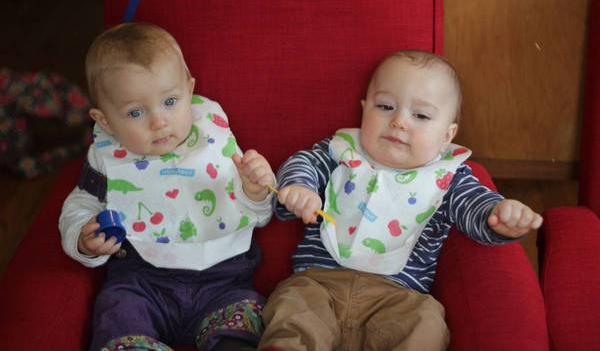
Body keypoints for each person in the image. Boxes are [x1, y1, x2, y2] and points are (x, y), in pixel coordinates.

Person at [257, 50, 543, 351]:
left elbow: (475, 205)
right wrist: (299, 188)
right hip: (317, 285)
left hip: (397, 298)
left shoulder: (448, 177)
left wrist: (498, 215)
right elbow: (304, 164)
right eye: (385, 106)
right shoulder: (340, 152)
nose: (398, 122)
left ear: (447, 135)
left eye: (420, 115)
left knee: (427, 321)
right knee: (292, 308)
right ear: (364, 110)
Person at [59, 22, 275, 351]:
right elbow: (80, 206)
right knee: (117, 317)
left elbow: (256, 213)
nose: (158, 121)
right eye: (135, 112)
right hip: (142, 282)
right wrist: (82, 239)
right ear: (104, 121)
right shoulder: (105, 160)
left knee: (245, 323)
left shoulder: (212, 136)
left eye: (170, 102)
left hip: (224, 282)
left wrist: (257, 191)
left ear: (189, 90)